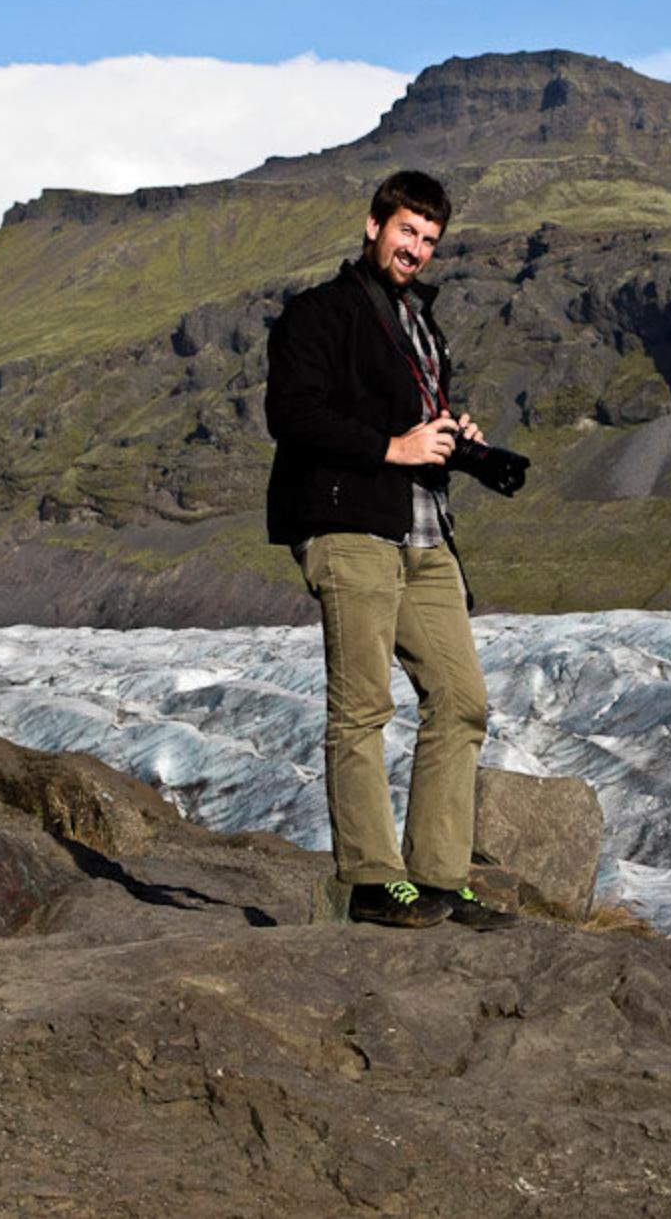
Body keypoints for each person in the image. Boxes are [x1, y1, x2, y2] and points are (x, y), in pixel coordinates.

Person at [265, 170, 517, 930]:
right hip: (349, 528)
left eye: (430, 240)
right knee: (362, 708)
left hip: (425, 531)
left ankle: (439, 876)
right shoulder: (318, 314)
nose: (416, 249)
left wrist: (459, 445)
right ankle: (373, 881)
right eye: (407, 231)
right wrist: (393, 445)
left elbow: (413, 432)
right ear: (373, 224)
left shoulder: (418, 321)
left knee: (462, 700)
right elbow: (293, 414)